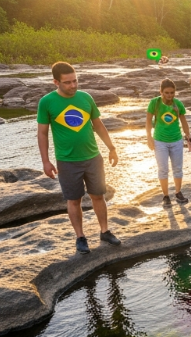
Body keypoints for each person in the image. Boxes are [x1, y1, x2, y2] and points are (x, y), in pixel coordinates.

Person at [36, 61, 121, 254]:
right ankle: (80, 237)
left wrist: (111, 148)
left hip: (93, 157)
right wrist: (45, 161)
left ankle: (105, 231)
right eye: (67, 82)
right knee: (74, 200)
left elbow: (98, 125)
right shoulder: (47, 102)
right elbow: (42, 133)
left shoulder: (86, 98)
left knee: (98, 196)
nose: (73, 86)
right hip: (67, 161)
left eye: (75, 81)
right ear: (55, 82)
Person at [146, 79, 191, 206]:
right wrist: (149, 137)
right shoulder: (154, 103)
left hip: (176, 140)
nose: (170, 95)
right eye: (166, 93)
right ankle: (166, 196)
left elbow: (183, 121)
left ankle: (178, 193)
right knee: (163, 169)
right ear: (161, 92)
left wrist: (188, 137)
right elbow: (148, 121)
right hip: (160, 141)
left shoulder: (178, 104)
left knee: (177, 168)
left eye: (172, 93)